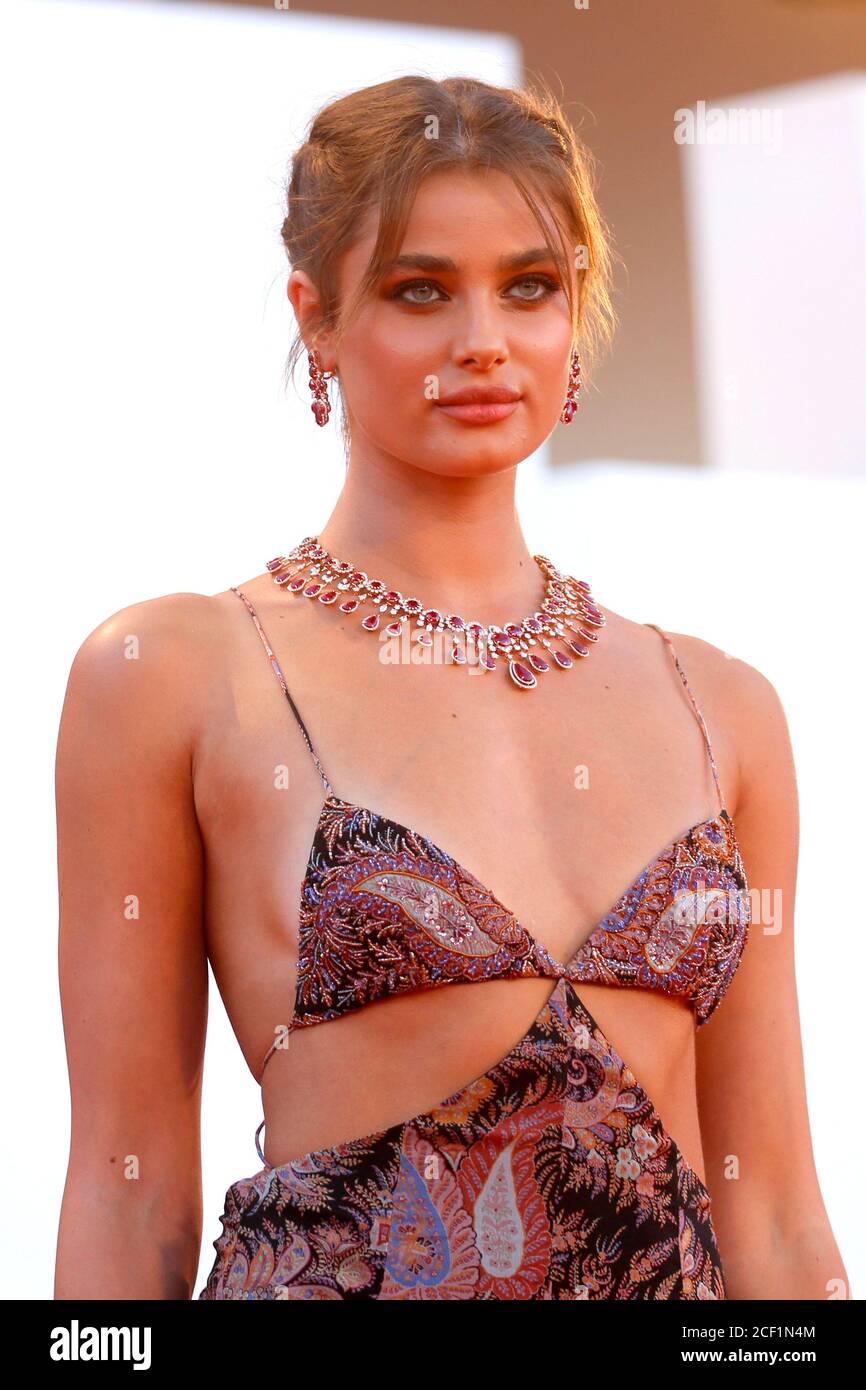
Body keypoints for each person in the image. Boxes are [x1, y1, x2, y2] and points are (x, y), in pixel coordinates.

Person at [54, 74, 845, 1301]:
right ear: (314, 319)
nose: (482, 339)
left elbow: (778, 1212)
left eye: (528, 286)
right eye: (420, 289)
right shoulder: (174, 673)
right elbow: (124, 1183)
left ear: (571, 309)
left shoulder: (721, 707)